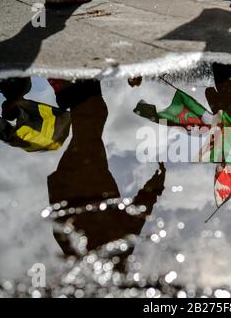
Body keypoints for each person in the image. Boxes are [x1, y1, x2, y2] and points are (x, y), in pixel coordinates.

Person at [48, 79, 166, 270]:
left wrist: (156, 185)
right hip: (74, 184)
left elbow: (137, 215)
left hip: (83, 184)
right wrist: (155, 186)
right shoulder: (87, 259)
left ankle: (70, 84)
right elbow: (137, 215)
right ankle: (72, 83)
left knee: (91, 118)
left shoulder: (113, 252)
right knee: (88, 122)